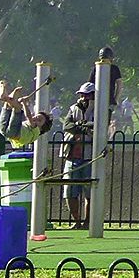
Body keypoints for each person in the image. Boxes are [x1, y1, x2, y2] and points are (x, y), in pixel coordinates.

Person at [61, 83, 96, 227]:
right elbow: (67, 126)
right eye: (82, 95)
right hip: (72, 155)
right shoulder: (73, 108)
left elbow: (98, 126)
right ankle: (76, 221)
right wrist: (84, 126)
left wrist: (81, 126)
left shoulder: (100, 109)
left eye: (87, 95)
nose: (83, 98)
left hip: (89, 156)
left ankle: (88, 221)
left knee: (90, 191)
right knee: (69, 191)